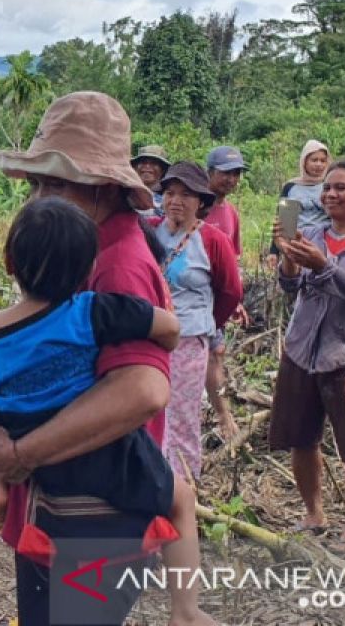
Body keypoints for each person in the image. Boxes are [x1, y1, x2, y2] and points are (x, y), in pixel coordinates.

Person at [0, 91, 214, 626]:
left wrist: (21, 453)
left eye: (56, 184)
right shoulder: (80, 251)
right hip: (66, 501)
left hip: (89, 513)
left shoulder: (117, 266)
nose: (39, 198)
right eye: (36, 183)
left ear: (104, 189)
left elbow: (143, 391)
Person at [0, 197, 192, 568]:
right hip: (98, 453)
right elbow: (170, 327)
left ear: (8, 262)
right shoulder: (92, 311)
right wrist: (164, 341)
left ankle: (4, 500)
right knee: (182, 500)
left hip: (32, 461)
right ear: (90, 267)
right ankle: (185, 609)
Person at [270, 159, 345, 542]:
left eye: (342, 188)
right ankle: (313, 513)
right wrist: (289, 258)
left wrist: (324, 266)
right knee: (302, 437)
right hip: (302, 347)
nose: (331, 194)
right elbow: (290, 288)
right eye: (328, 188)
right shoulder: (314, 234)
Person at [150, 162, 243, 479]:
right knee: (150, 410)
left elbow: (230, 291)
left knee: (182, 414)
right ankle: (155, 477)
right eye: (170, 193)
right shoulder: (151, 232)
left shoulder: (213, 240)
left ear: (201, 201)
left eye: (186, 195)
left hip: (188, 339)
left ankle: (185, 485)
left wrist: (206, 324)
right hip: (150, 338)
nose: (176, 201)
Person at [205, 145, 251, 440]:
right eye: (225, 173)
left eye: (236, 174)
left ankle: (222, 416)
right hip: (191, 296)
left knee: (216, 354)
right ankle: (221, 417)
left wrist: (236, 300)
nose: (231, 179)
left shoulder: (230, 213)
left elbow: (232, 261)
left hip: (217, 298)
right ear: (209, 172)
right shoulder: (195, 205)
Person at [268, 140, 331, 269]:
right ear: (304, 162)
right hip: (297, 243)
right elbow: (282, 222)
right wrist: (274, 251)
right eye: (314, 160)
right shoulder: (291, 187)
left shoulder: (330, 186)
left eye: (323, 160)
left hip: (326, 244)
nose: (319, 164)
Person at [131, 144, 171, 216]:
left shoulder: (168, 199)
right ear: (135, 167)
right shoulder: (125, 194)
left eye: (154, 163)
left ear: (162, 170)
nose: (147, 166)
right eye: (143, 162)